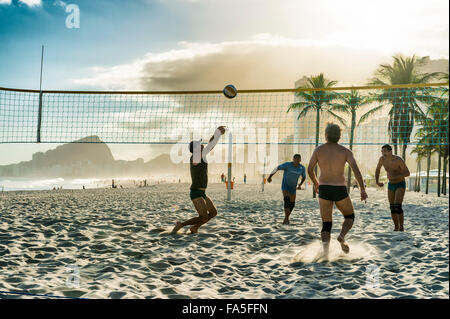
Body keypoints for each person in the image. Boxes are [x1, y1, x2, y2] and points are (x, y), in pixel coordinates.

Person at [307, 123, 368, 255]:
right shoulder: (345, 151)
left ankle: (325, 254)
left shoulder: (318, 150)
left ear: (326, 135)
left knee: (326, 224)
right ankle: (341, 236)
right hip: (339, 188)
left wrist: (316, 183)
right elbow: (356, 171)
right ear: (339, 136)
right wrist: (362, 189)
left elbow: (309, 169)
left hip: (324, 188)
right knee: (349, 216)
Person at [171, 126, 226, 234]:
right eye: (199, 144)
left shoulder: (201, 155)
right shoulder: (195, 157)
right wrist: (217, 134)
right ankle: (181, 224)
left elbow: (209, 145)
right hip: (196, 192)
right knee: (203, 216)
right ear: (196, 149)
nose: (202, 145)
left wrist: (215, 135)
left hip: (202, 192)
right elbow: (210, 146)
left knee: (213, 213)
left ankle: (195, 227)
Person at [375, 144, 410, 231]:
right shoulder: (382, 159)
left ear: (390, 151)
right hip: (391, 184)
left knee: (397, 205)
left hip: (400, 184)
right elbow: (377, 169)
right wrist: (377, 181)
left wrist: (396, 176)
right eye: (382, 151)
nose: (383, 153)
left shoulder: (398, 160)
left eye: (385, 151)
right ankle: (396, 227)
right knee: (392, 207)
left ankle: (401, 227)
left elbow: (407, 173)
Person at [267, 154, 306, 225]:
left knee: (292, 204)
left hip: (293, 188)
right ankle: (287, 219)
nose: (297, 160)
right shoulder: (287, 165)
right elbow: (277, 168)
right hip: (285, 186)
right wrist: (270, 176)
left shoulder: (302, 168)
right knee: (287, 200)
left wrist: (300, 184)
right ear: (293, 159)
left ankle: (286, 218)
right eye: (295, 159)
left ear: (300, 160)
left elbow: (304, 176)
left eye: (298, 159)